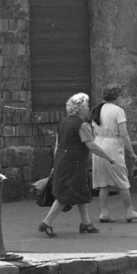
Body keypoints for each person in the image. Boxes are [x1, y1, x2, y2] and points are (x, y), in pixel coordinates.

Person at [38, 92, 115, 237]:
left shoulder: (63, 122)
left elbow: (57, 145)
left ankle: (86, 223)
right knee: (66, 195)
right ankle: (46, 223)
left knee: (80, 192)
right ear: (81, 108)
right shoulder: (82, 125)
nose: (88, 109)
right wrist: (108, 157)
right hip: (75, 163)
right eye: (86, 106)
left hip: (63, 161)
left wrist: (56, 163)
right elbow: (91, 145)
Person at [91, 84, 137, 223]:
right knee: (122, 180)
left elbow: (94, 131)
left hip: (98, 144)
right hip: (112, 146)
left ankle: (104, 212)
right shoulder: (118, 111)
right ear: (117, 96)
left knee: (103, 182)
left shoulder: (98, 109)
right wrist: (132, 153)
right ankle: (129, 211)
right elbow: (124, 134)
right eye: (120, 95)